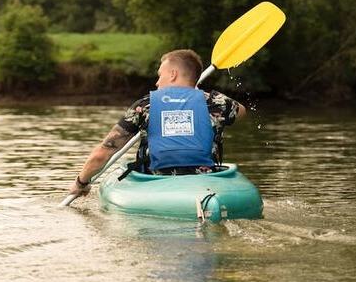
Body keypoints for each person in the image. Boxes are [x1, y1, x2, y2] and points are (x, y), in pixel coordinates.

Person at [68, 49, 246, 199]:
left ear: (173, 74)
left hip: (157, 186)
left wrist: (81, 182)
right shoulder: (217, 103)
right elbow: (241, 112)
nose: (157, 82)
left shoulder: (144, 106)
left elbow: (103, 152)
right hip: (205, 183)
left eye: (160, 75)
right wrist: (199, 97)